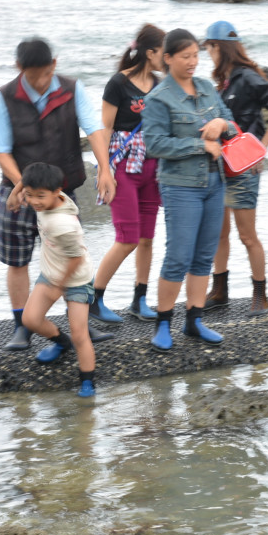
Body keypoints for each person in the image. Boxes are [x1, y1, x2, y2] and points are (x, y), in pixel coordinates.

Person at [0, 37, 116, 351]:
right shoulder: (3, 98)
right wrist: (24, 187)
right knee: (16, 261)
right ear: (20, 69)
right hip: (17, 191)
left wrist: (104, 167)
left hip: (60, 193)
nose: (41, 82)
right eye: (34, 76)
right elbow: (2, 151)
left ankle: (80, 324)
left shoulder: (73, 89)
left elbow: (93, 128)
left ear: (54, 65)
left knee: (73, 256)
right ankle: (21, 327)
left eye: (46, 74)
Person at [142, 28, 238, 352]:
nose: (193, 62)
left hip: (215, 183)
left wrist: (221, 126)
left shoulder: (208, 88)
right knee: (178, 256)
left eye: (196, 55)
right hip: (180, 186)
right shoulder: (158, 98)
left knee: (203, 255)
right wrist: (200, 144)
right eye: (185, 57)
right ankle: (163, 323)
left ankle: (194, 321)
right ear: (167, 59)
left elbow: (232, 124)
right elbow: (154, 144)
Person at [202, 21, 268, 314]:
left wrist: (260, 148)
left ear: (220, 47)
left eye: (209, 48)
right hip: (221, 166)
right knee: (219, 232)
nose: (207, 53)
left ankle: (260, 294)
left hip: (244, 168)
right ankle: (219, 290)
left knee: (247, 235)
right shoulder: (224, 81)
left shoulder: (247, 77)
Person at [90, 24, 166, 324]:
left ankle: (140, 299)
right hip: (124, 167)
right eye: (164, 51)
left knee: (147, 237)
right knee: (127, 238)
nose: (167, 56)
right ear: (150, 53)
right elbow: (104, 129)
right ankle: (94, 297)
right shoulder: (118, 84)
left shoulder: (160, 83)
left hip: (152, 167)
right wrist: (104, 171)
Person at [17, 163, 97, 398]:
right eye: (30, 194)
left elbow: (75, 258)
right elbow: (27, 183)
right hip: (51, 271)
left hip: (77, 279)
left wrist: (58, 286)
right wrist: (17, 194)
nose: (34, 201)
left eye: (40, 196)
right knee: (30, 319)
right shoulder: (52, 196)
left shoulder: (63, 225)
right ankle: (62, 343)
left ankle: (88, 381)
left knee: (80, 333)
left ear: (56, 191)